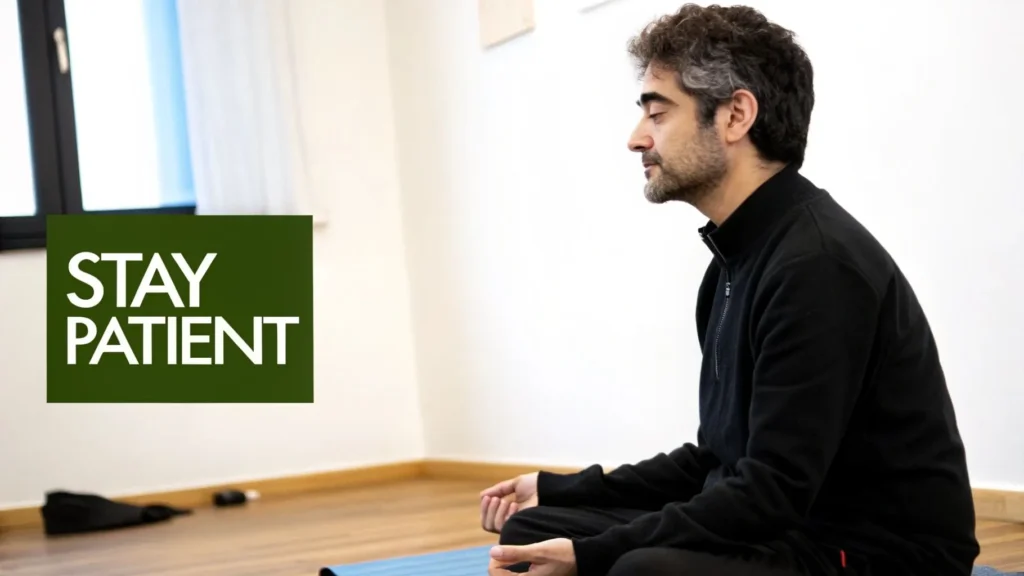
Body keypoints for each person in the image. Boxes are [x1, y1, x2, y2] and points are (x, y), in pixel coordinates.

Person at [478, 4, 980, 576]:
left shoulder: (817, 266)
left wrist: (594, 554)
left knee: (638, 569)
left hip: (874, 553)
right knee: (535, 532)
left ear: (736, 115)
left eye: (657, 113)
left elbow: (771, 491)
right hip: (788, 527)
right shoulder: (731, 266)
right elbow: (715, 461)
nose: (637, 139)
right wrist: (559, 490)